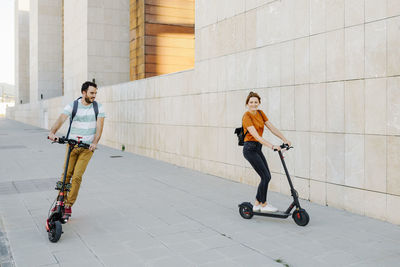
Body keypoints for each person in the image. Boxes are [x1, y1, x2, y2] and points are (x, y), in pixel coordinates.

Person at [48, 81, 105, 217]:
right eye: (92, 93)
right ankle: (59, 202)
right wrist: (52, 132)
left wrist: (95, 142)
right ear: (84, 92)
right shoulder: (73, 106)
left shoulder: (98, 107)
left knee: (77, 176)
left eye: (95, 93)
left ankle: (68, 205)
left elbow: (99, 128)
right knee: (66, 175)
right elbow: (61, 119)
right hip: (72, 146)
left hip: (87, 148)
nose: (94, 96)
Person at [242, 91, 291, 213]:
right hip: (250, 149)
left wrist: (284, 139)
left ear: (259, 103)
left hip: (257, 148)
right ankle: (263, 204)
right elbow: (256, 136)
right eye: (251, 102)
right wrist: (272, 146)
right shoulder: (246, 117)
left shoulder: (260, 113)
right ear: (247, 104)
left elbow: (272, 127)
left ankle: (257, 203)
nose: (253, 104)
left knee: (266, 176)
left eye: (256, 102)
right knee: (266, 176)